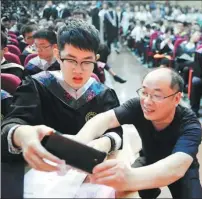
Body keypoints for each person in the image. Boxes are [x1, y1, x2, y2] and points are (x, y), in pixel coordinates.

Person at [1, 20, 123, 199]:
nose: (78, 70)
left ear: (96, 59)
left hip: (89, 180)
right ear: (58, 55)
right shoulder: (36, 86)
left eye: (87, 62)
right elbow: (13, 123)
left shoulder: (103, 94)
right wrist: (21, 134)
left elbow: (117, 132)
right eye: (71, 60)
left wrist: (105, 142)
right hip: (42, 178)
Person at [75, 67, 202, 199]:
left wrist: (128, 177)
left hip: (182, 170)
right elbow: (105, 119)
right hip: (148, 159)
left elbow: (176, 167)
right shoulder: (137, 106)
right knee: (123, 194)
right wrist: (78, 143)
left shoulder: (190, 124)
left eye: (157, 96)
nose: (147, 101)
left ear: (177, 98)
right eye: (144, 92)